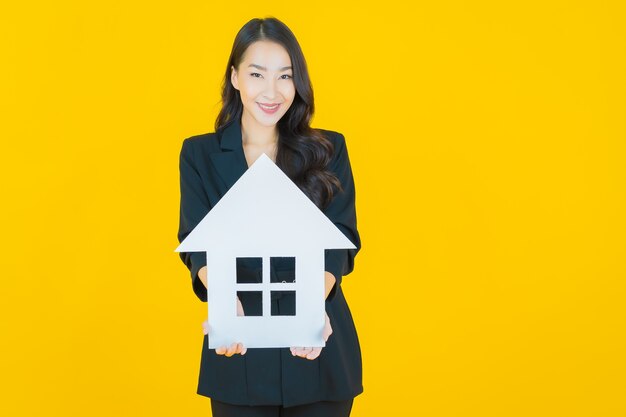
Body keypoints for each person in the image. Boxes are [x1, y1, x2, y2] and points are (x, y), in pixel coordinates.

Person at [177, 16, 362, 417]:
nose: (271, 91)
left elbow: (341, 241)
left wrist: (311, 307)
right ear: (235, 77)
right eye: (257, 74)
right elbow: (197, 245)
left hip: (319, 348)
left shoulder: (329, 149)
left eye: (285, 76)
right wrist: (227, 304)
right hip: (237, 353)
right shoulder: (198, 155)